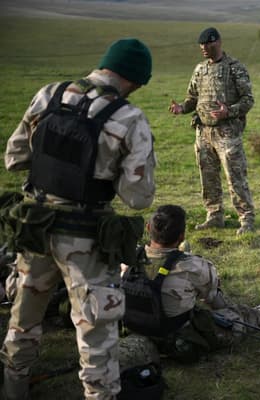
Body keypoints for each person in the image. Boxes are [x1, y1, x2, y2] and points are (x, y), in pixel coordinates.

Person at [0, 38, 156, 400]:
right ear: (134, 80)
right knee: (96, 334)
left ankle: (13, 387)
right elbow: (138, 198)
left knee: (23, 321)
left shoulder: (48, 95)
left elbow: (14, 158)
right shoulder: (129, 118)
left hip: (35, 229)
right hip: (85, 240)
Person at [120, 204, 260, 364]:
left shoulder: (126, 261)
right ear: (182, 236)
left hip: (136, 329)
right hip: (176, 341)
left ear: (149, 228)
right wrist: (229, 312)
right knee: (246, 315)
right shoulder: (193, 267)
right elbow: (213, 299)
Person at [168, 27, 255, 236]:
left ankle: (246, 219)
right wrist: (182, 108)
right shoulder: (200, 69)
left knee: (235, 178)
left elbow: (248, 100)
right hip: (203, 132)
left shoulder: (235, 68)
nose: (204, 48)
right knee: (208, 177)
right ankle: (214, 216)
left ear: (218, 43)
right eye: (201, 45)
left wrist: (229, 112)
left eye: (208, 44)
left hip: (227, 133)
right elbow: (192, 98)